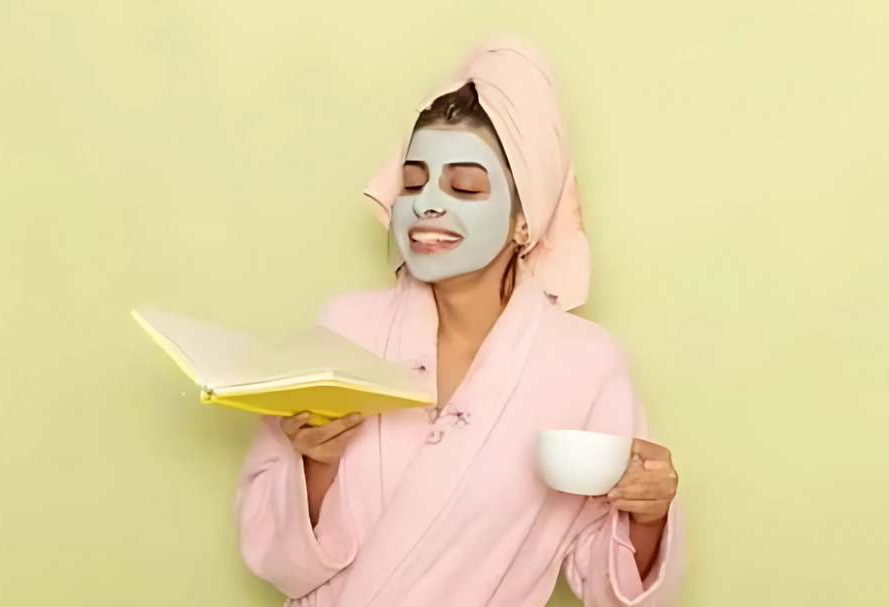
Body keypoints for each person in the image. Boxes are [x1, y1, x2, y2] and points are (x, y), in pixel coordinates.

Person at [237, 38, 684, 607]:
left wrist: (649, 515)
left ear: (526, 221)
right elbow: (271, 553)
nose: (426, 203)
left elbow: (604, 584)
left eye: (465, 187)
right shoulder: (344, 328)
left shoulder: (585, 364)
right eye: (414, 181)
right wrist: (314, 465)